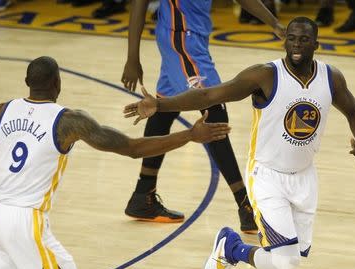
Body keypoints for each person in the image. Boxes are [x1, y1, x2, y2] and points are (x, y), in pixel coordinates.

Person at [124, 17, 355, 269]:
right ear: (284, 40)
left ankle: (233, 252)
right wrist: (161, 105)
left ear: (316, 44)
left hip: (305, 177)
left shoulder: (330, 77)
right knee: (284, 260)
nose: (296, 45)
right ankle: (232, 248)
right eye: (291, 38)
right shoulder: (264, 75)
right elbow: (208, 94)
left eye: (303, 39)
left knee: (287, 260)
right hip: (267, 177)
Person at [0, 56, 230, 269]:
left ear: (27, 83)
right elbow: (132, 148)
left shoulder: (1, 112)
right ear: (58, 83)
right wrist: (188, 136)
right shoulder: (68, 121)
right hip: (26, 223)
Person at [120, 0, 284, 233]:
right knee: (213, 112)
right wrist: (132, 58)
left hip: (192, 38)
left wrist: (274, 23)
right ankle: (245, 207)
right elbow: (139, 4)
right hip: (182, 40)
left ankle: (142, 195)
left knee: (163, 110)